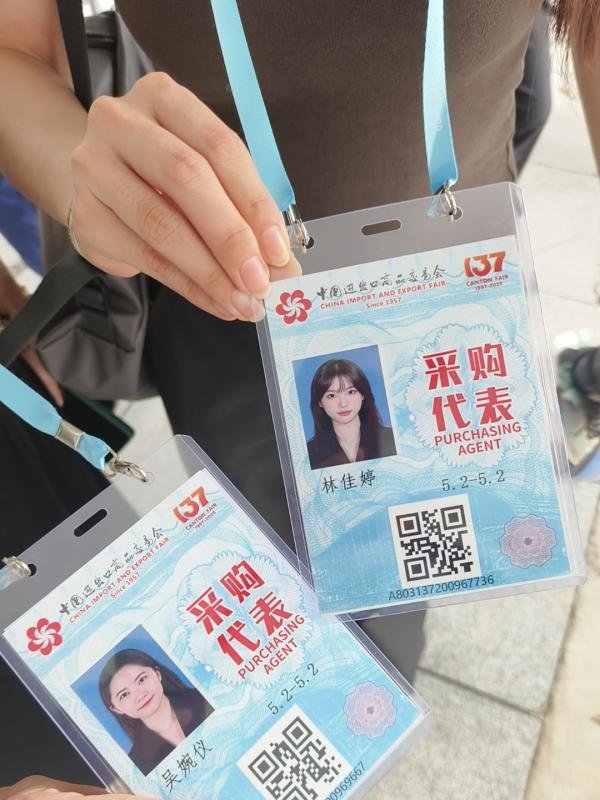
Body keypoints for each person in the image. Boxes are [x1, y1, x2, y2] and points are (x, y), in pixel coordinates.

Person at [0, 2, 599, 797]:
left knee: (410, 585)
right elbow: (13, 54)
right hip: (236, 304)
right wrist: (87, 177)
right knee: (275, 597)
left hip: (444, 287)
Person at [98, 649, 212, 776]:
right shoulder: (137, 766)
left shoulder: (206, 698)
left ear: (157, 674)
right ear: (116, 709)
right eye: (124, 695)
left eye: (142, 679)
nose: (140, 695)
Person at [307, 359, 396, 469]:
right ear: (320, 402)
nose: (343, 404)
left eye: (351, 392)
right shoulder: (310, 453)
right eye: (331, 395)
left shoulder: (391, 438)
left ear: (362, 394)